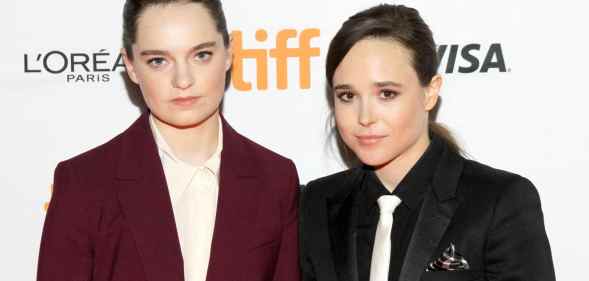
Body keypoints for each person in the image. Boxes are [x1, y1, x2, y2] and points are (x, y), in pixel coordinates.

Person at [36, 1, 300, 281]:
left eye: (201, 55)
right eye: (158, 61)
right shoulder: (83, 184)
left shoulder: (275, 179)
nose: (183, 79)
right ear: (131, 66)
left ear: (228, 54)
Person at [300, 4, 555, 281]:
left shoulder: (499, 201)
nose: (365, 117)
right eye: (347, 96)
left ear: (430, 92)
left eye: (386, 93)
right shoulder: (317, 202)